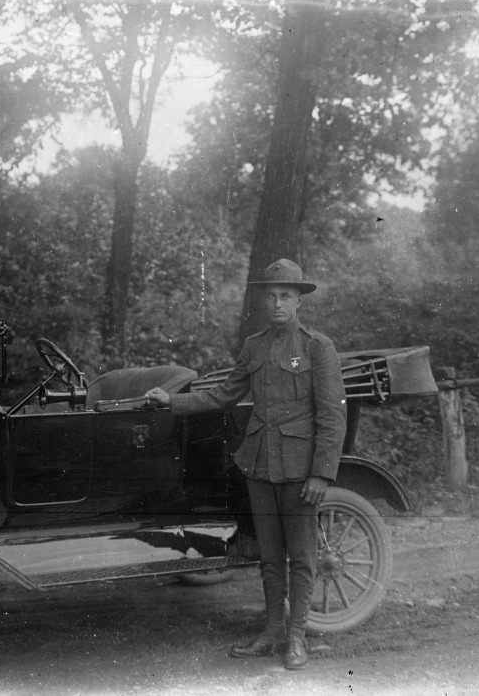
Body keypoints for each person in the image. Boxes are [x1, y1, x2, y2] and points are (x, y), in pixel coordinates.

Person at [144, 258, 346, 670]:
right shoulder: (254, 345)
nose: (277, 304)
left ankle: (296, 638)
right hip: (259, 466)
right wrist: (172, 401)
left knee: (302, 557)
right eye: (271, 296)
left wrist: (321, 473)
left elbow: (332, 415)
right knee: (269, 557)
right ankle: (271, 632)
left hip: (300, 469)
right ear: (263, 301)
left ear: (299, 301)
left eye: (285, 296)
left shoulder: (317, 347)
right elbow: (223, 395)